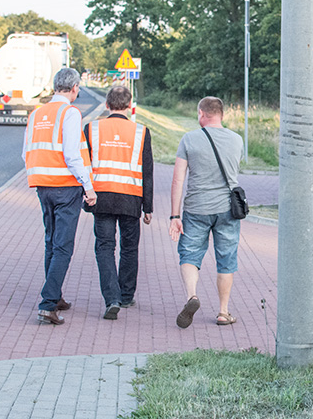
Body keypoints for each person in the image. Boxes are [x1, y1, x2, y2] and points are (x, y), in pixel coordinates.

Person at [22, 68, 97, 325]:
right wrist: (88, 187)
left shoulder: (36, 114)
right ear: (74, 88)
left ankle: (56, 297)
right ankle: (47, 303)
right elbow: (72, 155)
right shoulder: (70, 113)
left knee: (51, 242)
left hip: (42, 186)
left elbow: (25, 152)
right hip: (65, 186)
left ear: (55, 87)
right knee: (63, 246)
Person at [169, 96, 243, 328]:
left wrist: (175, 216)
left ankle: (192, 296)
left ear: (201, 113)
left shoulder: (189, 139)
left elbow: (178, 180)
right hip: (228, 209)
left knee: (189, 255)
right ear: (222, 114)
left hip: (196, 208)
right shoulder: (237, 140)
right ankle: (223, 312)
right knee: (226, 259)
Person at [84, 86, 153, 320]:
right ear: (130, 105)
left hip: (101, 197)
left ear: (107, 104)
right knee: (129, 247)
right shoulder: (141, 132)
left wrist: (85, 194)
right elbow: (147, 172)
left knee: (104, 247)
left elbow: (84, 164)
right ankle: (125, 295)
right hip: (130, 198)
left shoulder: (92, 129)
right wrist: (148, 207)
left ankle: (111, 298)